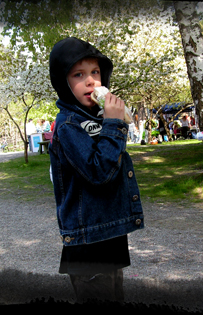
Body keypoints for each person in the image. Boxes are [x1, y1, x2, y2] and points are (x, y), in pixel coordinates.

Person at [48, 37, 144, 303]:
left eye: (95, 72)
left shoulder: (97, 118)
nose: (91, 81)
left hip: (109, 233)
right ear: (63, 83)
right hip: (87, 240)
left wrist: (113, 121)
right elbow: (99, 172)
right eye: (79, 75)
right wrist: (113, 126)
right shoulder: (69, 125)